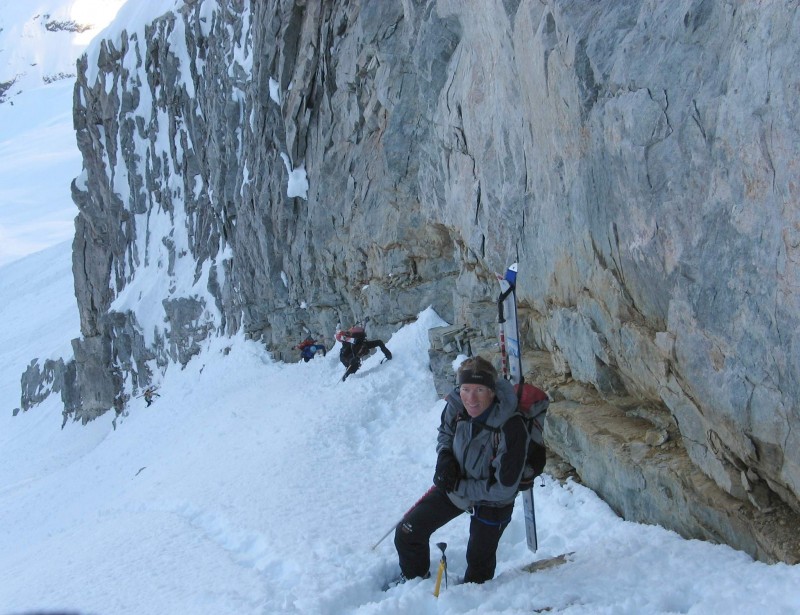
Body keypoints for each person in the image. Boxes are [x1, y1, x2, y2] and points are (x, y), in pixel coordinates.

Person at [390, 356, 527, 586]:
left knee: (478, 565)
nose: (471, 398)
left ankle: (471, 604)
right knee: (408, 532)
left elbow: (503, 490)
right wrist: (445, 457)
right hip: (458, 481)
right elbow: (445, 432)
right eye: (466, 389)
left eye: (479, 389)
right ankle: (414, 585)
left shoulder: (511, 427)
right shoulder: (456, 405)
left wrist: (457, 485)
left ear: (492, 392)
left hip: (493, 499)